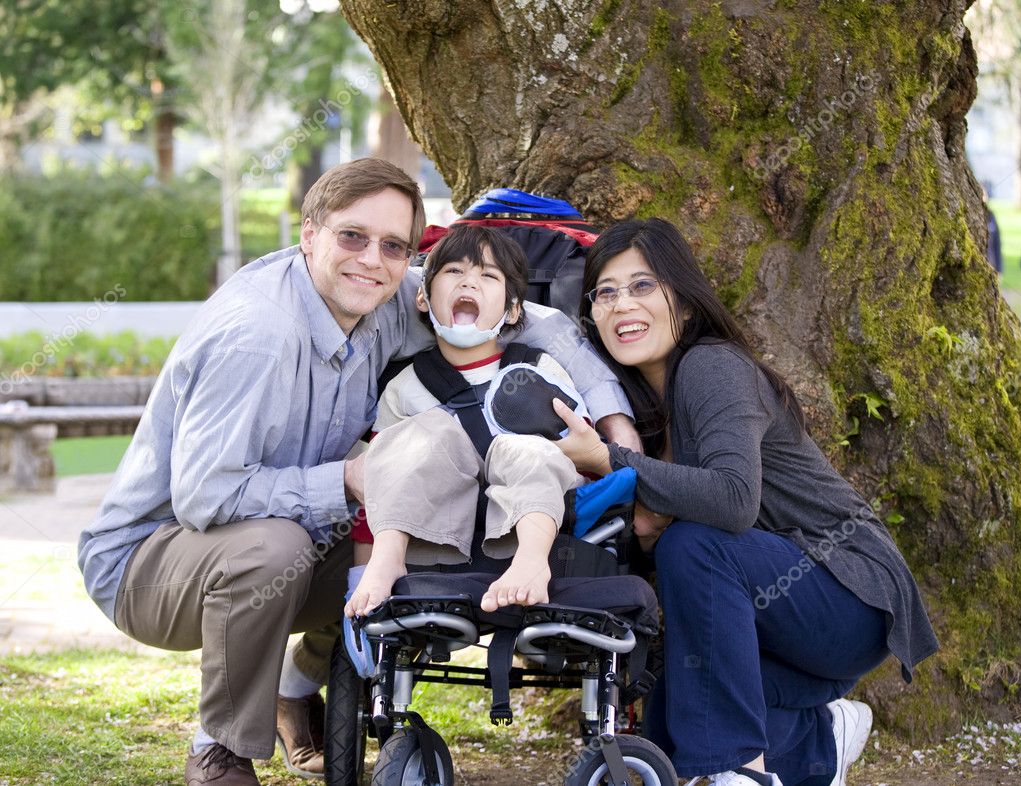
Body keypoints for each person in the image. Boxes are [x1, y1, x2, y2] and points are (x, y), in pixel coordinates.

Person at [77, 158, 639, 786]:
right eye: (352, 236)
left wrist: (616, 433)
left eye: (394, 246)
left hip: (289, 532)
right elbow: (205, 496)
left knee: (413, 543)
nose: (372, 259)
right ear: (308, 232)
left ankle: (295, 688)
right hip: (150, 564)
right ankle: (220, 750)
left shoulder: (389, 293)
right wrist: (345, 481)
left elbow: (539, 323)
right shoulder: (259, 336)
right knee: (278, 544)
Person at [552, 218, 939, 786]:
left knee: (695, 544)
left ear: (682, 303)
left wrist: (612, 461)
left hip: (849, 593)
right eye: (605, 292)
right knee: (676, 717)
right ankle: (819, 741)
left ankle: (744, 773)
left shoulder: (712, 365)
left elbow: (733, 502)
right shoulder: (648, 413)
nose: (620, 304)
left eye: (641, 285)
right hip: (779, 632)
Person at [344, 224, 586, 620]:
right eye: (454, 271)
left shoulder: (537, 368)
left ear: (512, 310)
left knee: (526, 448)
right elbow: (379, 482)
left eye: (488, 276)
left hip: (528, 515)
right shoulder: (406, 386)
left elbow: (579, 448)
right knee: (421, 435)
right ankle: (387, 561)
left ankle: (531, 561)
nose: (469, 282)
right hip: (430, 527)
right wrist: (362, 569)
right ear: (422, 296)